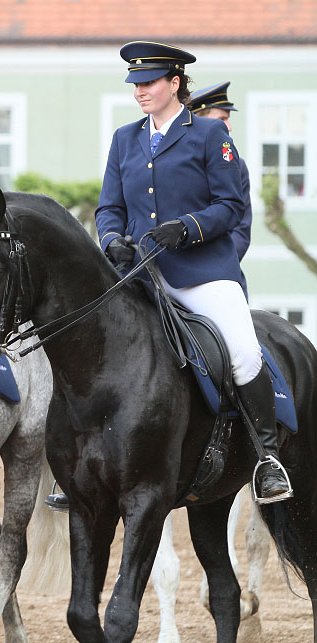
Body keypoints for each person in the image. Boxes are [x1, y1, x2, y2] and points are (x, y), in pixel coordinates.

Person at [92, 42, 290, 505]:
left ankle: (268, 459)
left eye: (148, 83)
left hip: (201, 271)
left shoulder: (208, 135)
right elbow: (109, 207)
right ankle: (79, 468)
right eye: (135, 84)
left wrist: (186, 228)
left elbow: (230, 206)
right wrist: (111, 240)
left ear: (174, 82)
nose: (139, 91)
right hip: (139, 273)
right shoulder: (125, 139)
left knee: (242, 351)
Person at [187, 82, 252, 277]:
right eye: (222, 119)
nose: (229, 127)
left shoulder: (236, 165)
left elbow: (241, 230)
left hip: (219, 271)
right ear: (199, 120)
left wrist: (219, 268)